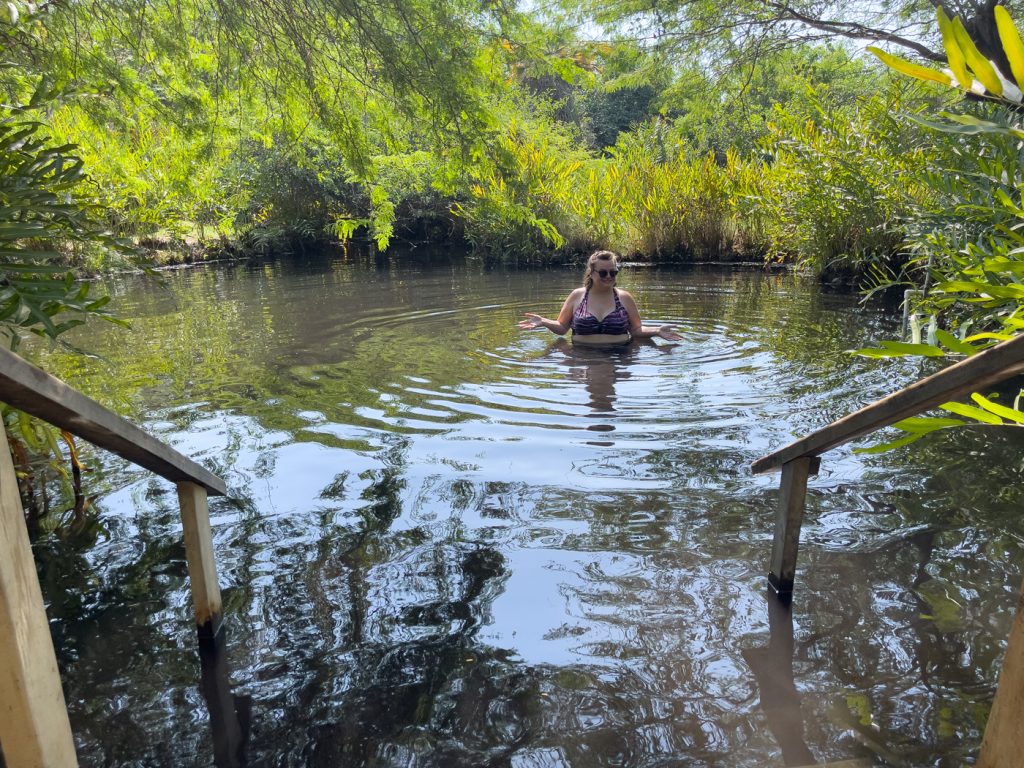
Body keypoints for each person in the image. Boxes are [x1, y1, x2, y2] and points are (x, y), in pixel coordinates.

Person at [518, 250, 683, 345]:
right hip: (581, 356)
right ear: (591, 273)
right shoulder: (577, 296)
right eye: (603, 273)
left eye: (613, 272)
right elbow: (562, 327)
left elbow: (636, 330)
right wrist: (544, 322)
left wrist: (657, 330)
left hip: (620, 355)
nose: (609, 276)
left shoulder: (624, 298)